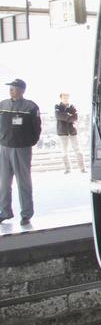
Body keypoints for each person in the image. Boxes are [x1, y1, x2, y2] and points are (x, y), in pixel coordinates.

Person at [0, 78, 42, 225]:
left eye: (14, 87)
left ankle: (26, 213)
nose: (11, 90)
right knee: (4, 182)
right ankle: (5, 211)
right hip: (4, 147)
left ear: (22, 90)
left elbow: (36, 128)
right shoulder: (3, 104)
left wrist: (30, 142)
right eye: (10, 87)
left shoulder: (30, 107)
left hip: (21, 148)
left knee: (23, 181)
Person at [54, 92, 85, 173]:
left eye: (67, 96)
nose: (66, 98)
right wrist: (69, 116)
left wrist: (65, 116)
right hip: (62, 132)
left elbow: (75, 117)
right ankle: (68, 169)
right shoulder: (57, 106)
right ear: (61, 97)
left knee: (78, 150)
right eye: (64, 96)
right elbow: (58, 116)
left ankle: (82, 168)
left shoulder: (72, 106)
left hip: (72, 131)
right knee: (64, 152)